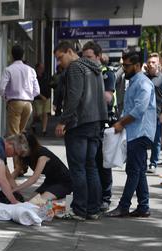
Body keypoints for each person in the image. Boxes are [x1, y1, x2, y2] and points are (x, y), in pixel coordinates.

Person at [53, 41, 108, 221]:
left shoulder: (76, 67)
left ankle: (79, 210)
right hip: (95, 122)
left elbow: (74, 97)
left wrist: (63, 121)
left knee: (78, 168)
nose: (59, 63)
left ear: (70, 51)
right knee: (91, 166)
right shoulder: (95, 68)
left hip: (79, 123)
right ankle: (92, 209)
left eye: (60, 58)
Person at [105, 52, 156, 218]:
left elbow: (139, 110)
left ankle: (124, 206)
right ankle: (143, 206)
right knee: (139, 170)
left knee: (133, 170)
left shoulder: (143, 83)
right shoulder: (134, 82)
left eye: (126, 66)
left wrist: (121, 123)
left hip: (140, 132)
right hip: (135, 131)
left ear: (136, 65)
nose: (124, 69)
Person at [82, 41, 116, 212]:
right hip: (89, 123)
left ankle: (105, 197)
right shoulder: (83, 72)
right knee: (91, 162)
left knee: (103, 162)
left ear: (98, 57)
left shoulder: (107, 74)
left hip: (104, 124)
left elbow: (108, 97)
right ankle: (93, 196)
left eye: (89, 57)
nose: (86, 60)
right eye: (84, 57)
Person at [13, 133, 72, 201]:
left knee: (37, 201)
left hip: (64, 182)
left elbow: (34, 179)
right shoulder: (24, 155)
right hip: (49, 181)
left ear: (30, 146)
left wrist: (15, 189)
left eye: (23, 151)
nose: (20, 153)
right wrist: (5, 186)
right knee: (30, 200)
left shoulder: (42, 155)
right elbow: (16, 172)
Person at [0, 44, 39, 136]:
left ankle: (16, 150)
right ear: (23, 55)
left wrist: (5, 97)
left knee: (14, 133)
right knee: (21, 132)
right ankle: (22, 149)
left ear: (12, 55)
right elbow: (37, 90)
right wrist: (29, 96)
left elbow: (1, 87)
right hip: (28, 103)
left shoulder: (9, 70)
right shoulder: (31, 70)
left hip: (14, 102)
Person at [144, 53, 162, 173]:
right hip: (144, 115)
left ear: (158, 64)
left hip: (157, 114)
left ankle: (153, 163)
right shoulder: (143, 77)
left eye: (153, 62)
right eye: (149, 62)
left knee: (156, 140)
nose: (151, 64)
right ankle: (142, 162)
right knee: (143, 140)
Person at [32, 63, 51, 136]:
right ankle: (33, 124)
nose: (42, 69)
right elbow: (34, 88)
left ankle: (44, 130)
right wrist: (41, 96)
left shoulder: (46, 76)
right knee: (37, 114)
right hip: (38, 98)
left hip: (47, 97)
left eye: (42, 68)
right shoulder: (34, 77)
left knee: (45, 113)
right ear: (37, 68)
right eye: (40, 68)